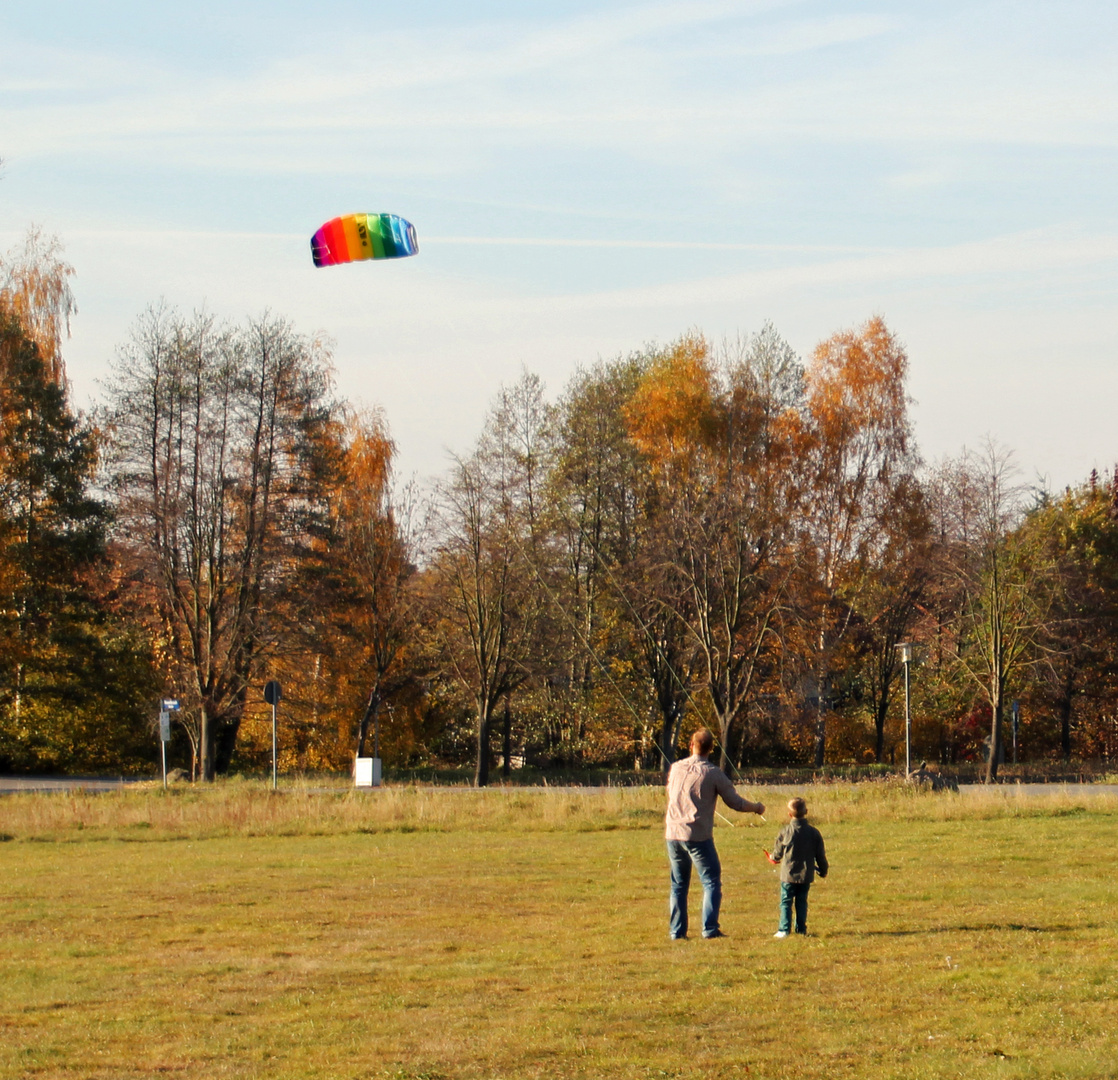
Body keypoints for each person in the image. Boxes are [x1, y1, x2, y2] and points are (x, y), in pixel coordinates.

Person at [665, 727, 766, 940]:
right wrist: (756, 807)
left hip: (673, 833)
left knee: (678, 884)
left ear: (691, 745)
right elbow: (735, 803)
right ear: (711, 749)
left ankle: (677, 932)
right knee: (710, 880)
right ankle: (709, 929)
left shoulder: (675, 768)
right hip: (697, 836)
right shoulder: (713, 773)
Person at [766, 797, 828, 938]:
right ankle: (801, 929)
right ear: (806, 811)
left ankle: (784, 929)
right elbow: (820, 855)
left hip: (788, 875)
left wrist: (772, 857)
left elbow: (777, 854)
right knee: (801, 902)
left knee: (786, 902)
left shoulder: (785, 832)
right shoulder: (814, 833)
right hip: (806, 874)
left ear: (789, 814)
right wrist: (823, 870)